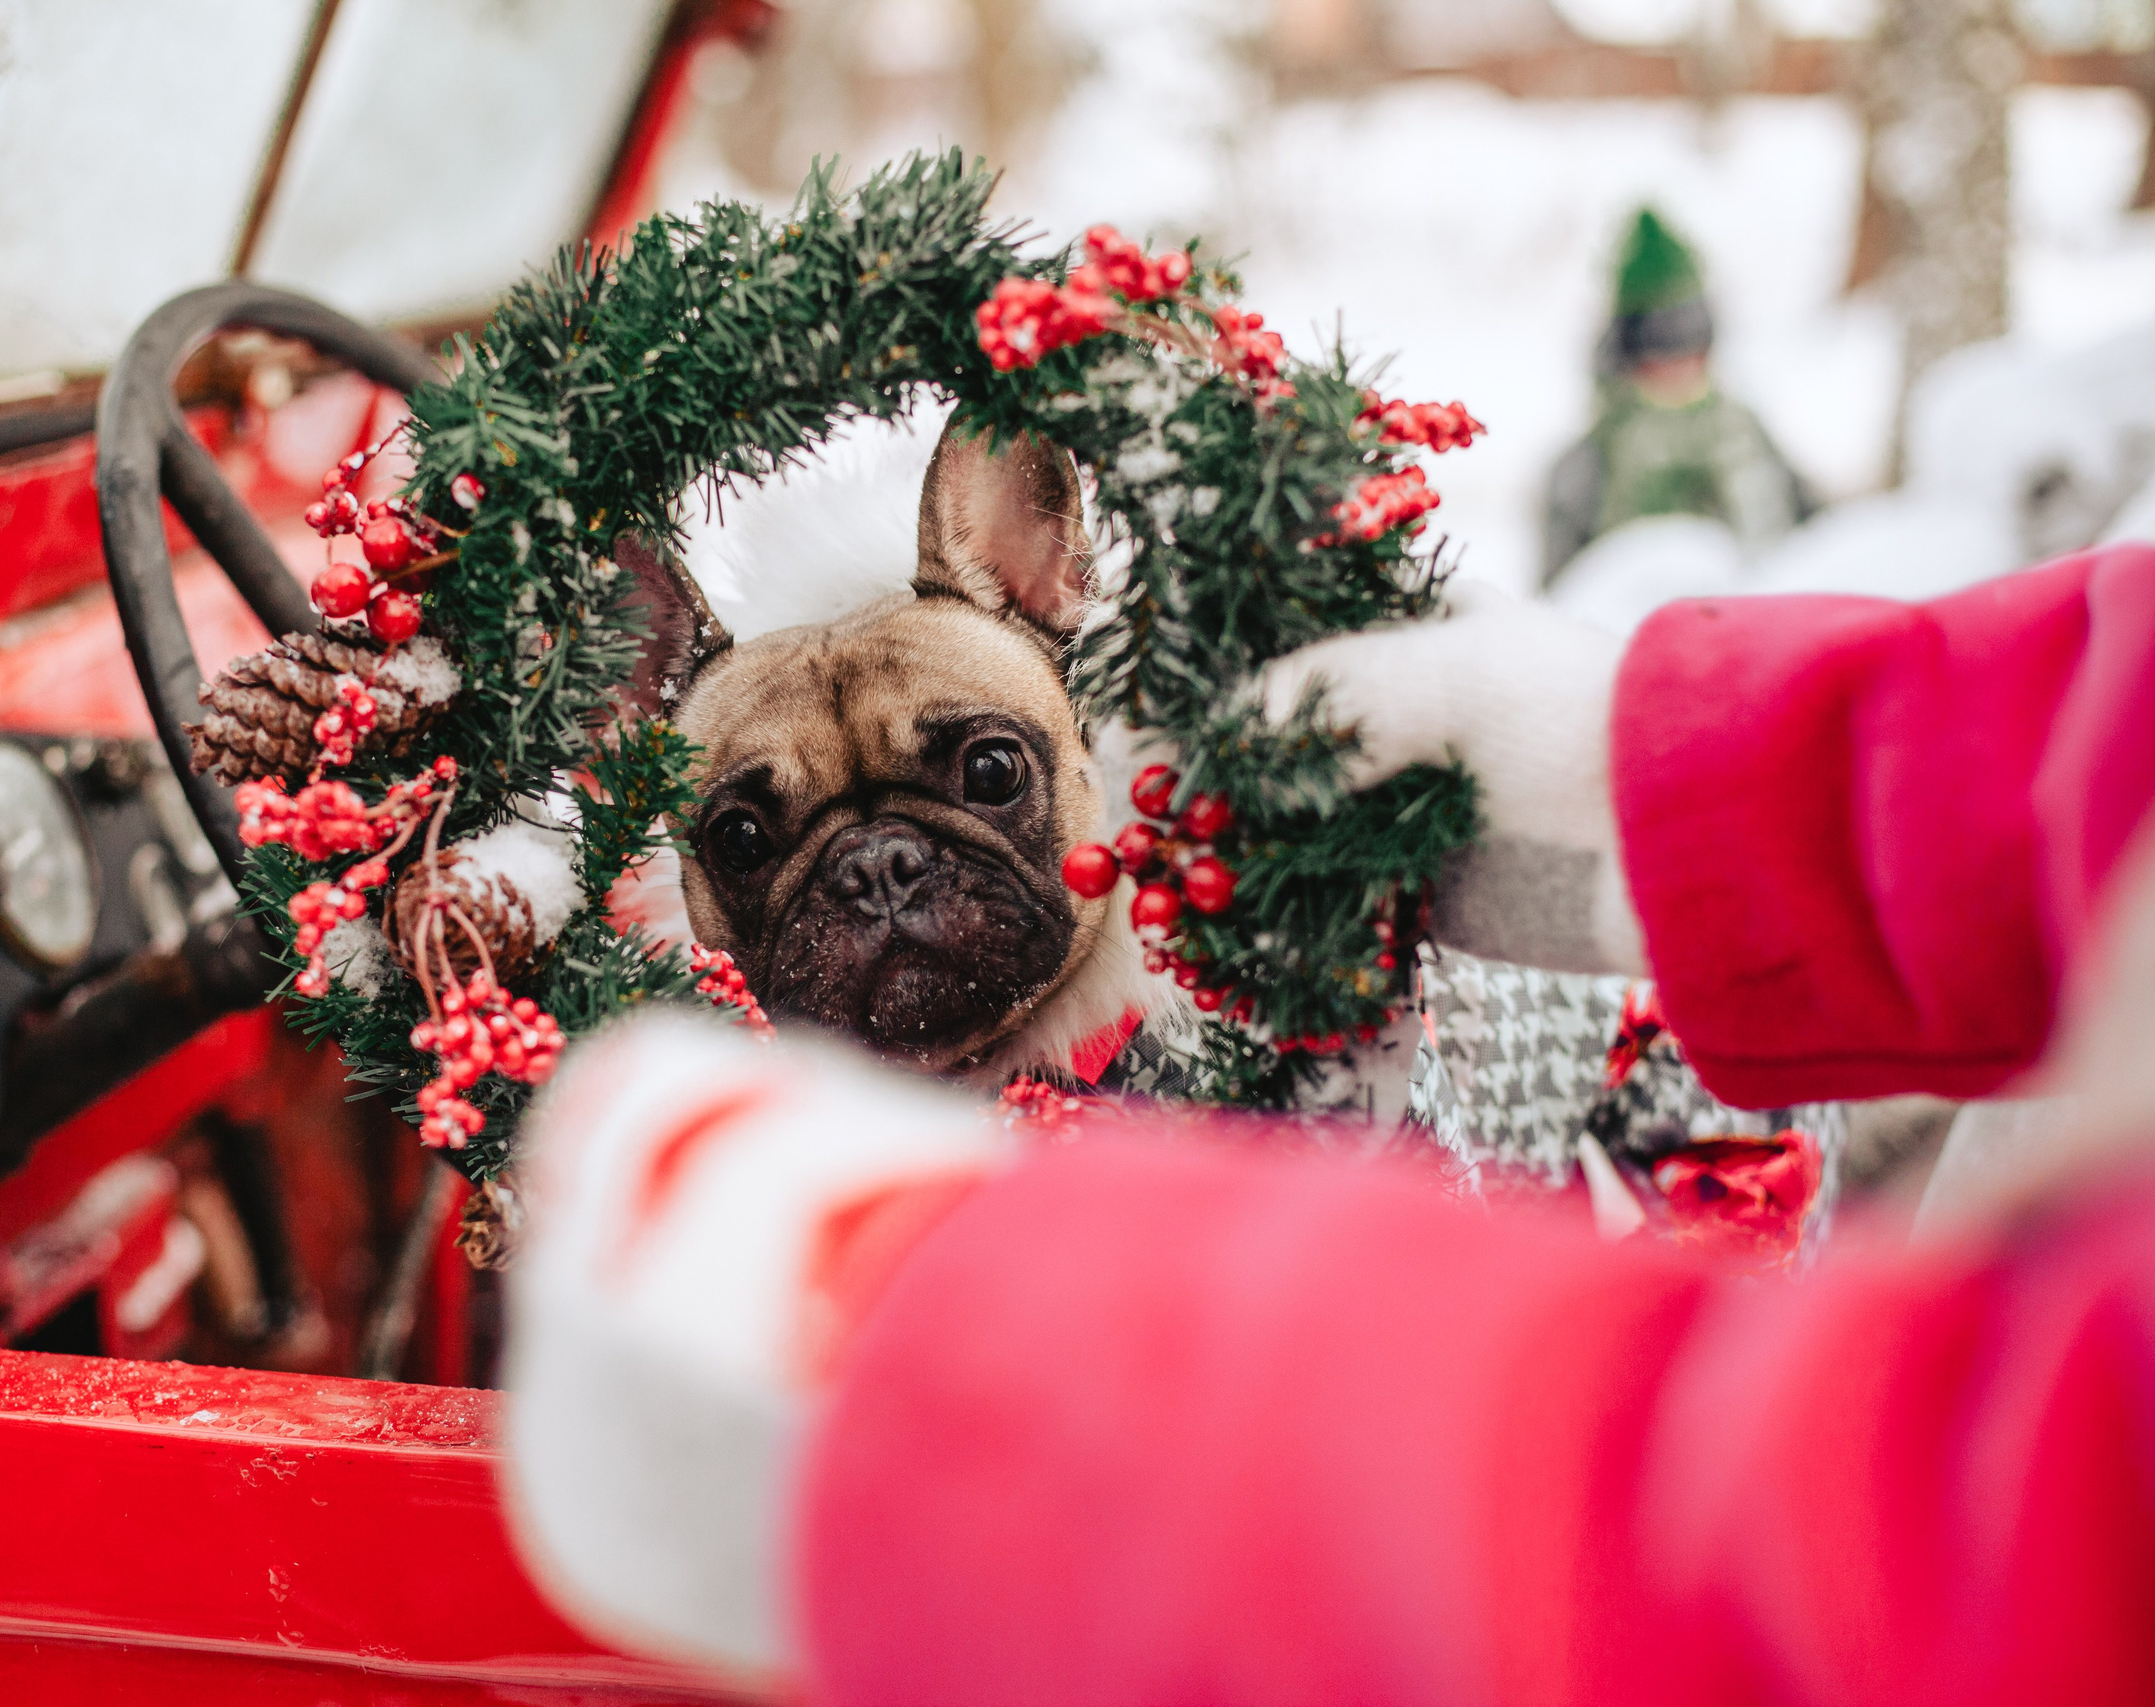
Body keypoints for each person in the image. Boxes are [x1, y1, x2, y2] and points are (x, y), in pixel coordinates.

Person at [498, 541, 2155, 1705]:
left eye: (984, 780)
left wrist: (966, 1348)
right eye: (758, 830)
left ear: (1089, 732)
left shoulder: (1277, 1009)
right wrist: (1728, 778)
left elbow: (1914, 1560)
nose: (880, 871)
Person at [1541, 208, 1814, 588]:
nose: (1682, 368)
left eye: (1694, 348)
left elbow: (1816, 536)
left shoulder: (1747, 434)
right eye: (1663, 352)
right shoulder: (1588, 463)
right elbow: (1558, 599)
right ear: (1628, 356)